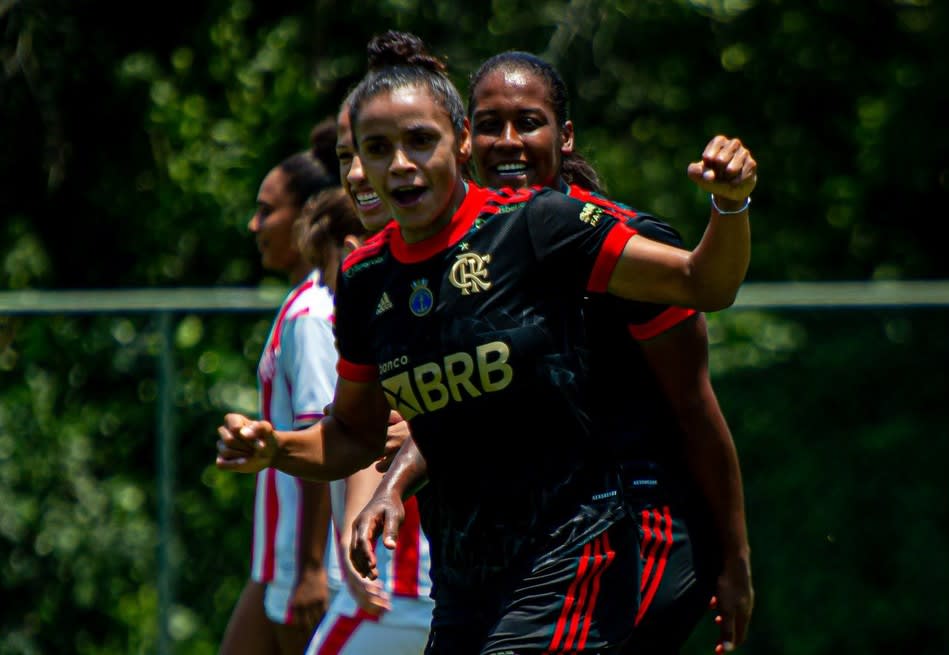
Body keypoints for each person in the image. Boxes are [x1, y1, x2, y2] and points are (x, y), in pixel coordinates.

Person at [215, 29, 755, 654]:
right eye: (375, 148)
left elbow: (704, 288)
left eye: (420, 141)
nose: (399, 164)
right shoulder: (367, 278)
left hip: (580, 551)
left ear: (457, 142)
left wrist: (730, 204)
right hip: (465, 576)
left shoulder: (545, 227)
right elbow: (361, 433)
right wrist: (275, 446)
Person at [301, 100, 435, 655]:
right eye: (346, 156)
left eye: (372, 150)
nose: (358, 173)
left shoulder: (462, 259)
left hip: (412, 584)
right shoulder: (373, 279)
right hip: (413, 579)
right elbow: (362, 428)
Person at [218, 148, 339, 655]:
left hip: (303, 566)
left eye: (268, 210)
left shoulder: (311, 314)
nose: (255, 224)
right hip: (276, 560)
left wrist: (312, 568)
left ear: (307, 215)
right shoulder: (300, 302)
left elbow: (323, 440)